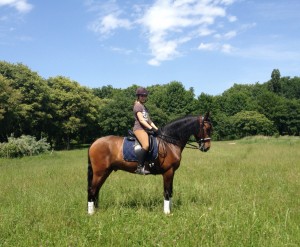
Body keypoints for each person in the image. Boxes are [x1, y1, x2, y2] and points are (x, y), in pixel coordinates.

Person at [133, 87, 158, 175]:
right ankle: (140, 167)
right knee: (146, 145)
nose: (144, 97)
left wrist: (156, 129)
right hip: (139, 129)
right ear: (138, 96)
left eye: (145, 96)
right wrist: (151, 129)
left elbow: (149, 120)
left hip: (145, 129)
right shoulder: (138, 106)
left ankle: (151, 162)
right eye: (142, 96)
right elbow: (142, 120)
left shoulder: (144, 107)